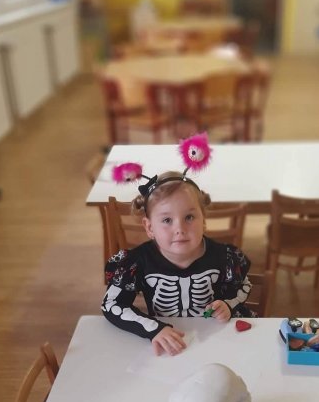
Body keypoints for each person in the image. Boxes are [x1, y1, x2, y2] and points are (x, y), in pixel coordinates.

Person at [102, 135, 253, 356]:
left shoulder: (225, 257)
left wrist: (228, 304)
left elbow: (244, 285)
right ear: (149, 227)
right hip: (165, 345)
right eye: (166, 220)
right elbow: (111, 305)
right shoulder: (137, 262)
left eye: (189, 217)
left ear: (204, 219)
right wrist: (153, 328)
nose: (179, 229)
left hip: (215, 341)